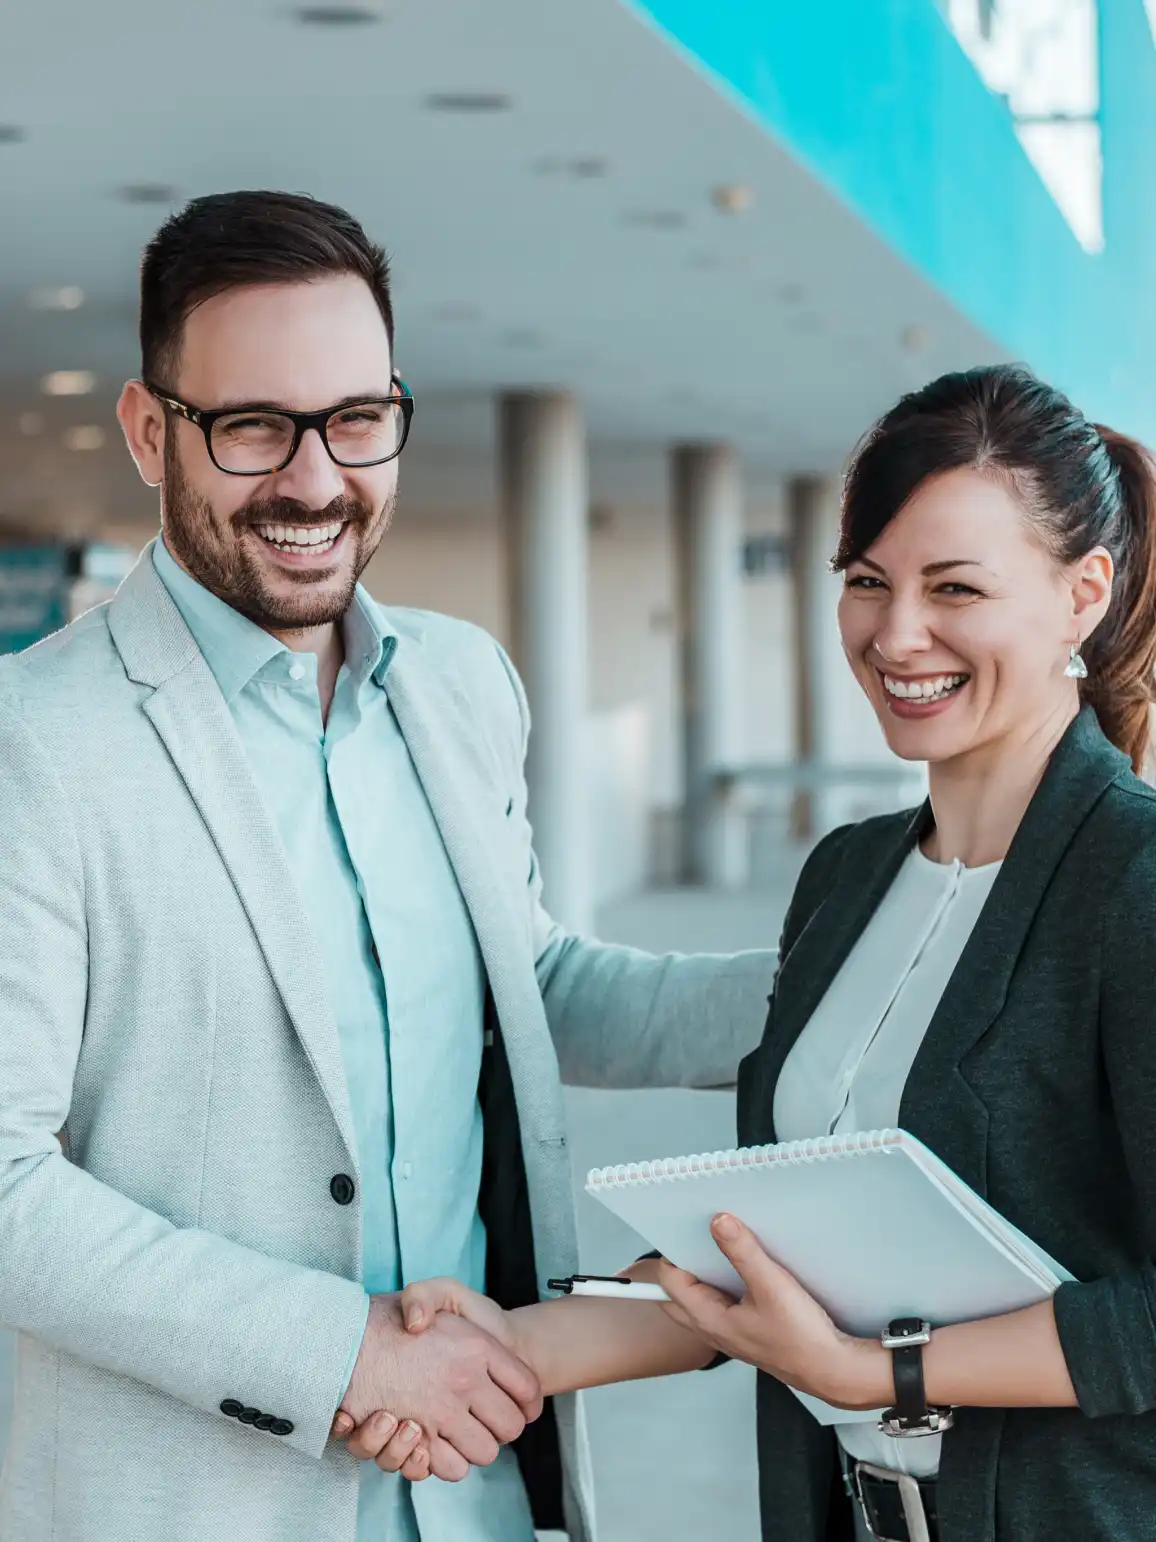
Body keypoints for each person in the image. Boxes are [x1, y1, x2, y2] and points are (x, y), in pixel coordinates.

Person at [0, 189, 776, 1542]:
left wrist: (864, 975)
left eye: (358, 419)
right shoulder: (37, 741)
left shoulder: (460, 681)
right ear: (147, 430)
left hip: (471, 1495)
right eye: (252, 425)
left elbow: (529, 982)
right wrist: (345, 1349)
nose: (315, 478)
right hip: (196, 1502)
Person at [344, 364, 1156, 1542]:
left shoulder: (1131, 884)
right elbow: (783, 1273)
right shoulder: (847, 877)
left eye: (955, 587)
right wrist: (494, 1348)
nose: (896, 632)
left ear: (1082, 596)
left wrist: (887, 1375)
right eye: (866, 582)